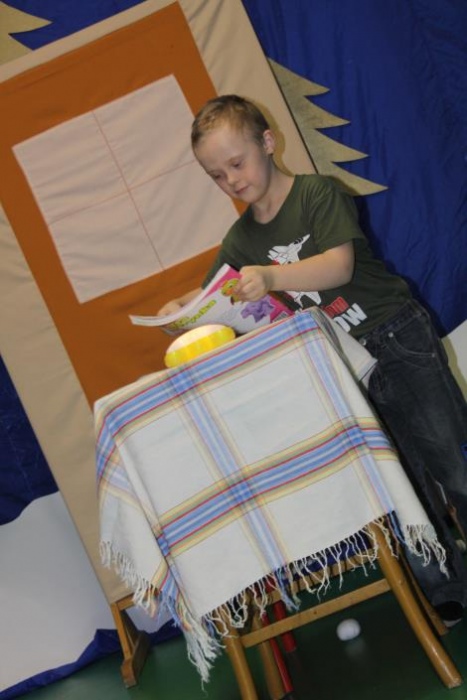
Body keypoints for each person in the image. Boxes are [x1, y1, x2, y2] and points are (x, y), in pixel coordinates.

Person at [158, 94, 467, 625]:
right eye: (216, 175)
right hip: (344, 369)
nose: (231, 180)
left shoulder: (317, 193)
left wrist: (271, 276)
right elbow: (213, 293)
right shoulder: (240, 240)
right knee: (399, 485)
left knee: (453, 462)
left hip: (396, 337)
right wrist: (180, 309)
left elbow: (339, 266)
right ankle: (445, 585)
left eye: (237, 163)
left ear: (268, 143)